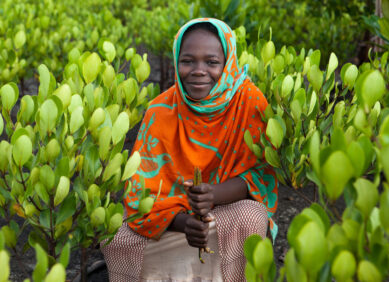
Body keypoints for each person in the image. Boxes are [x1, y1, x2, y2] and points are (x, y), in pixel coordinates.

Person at [101, 18, 278, 282]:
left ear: (228, 63)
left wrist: (213, 195)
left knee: (251, 216)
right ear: (176, 61)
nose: (198, 70)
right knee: (115, 238)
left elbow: (260, 175)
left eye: (211, 62)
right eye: (187, 61)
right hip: (171, 224)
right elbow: (140, 198)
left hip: (222, 219)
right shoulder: (160, 111)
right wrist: (184, 223)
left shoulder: (249, 103)